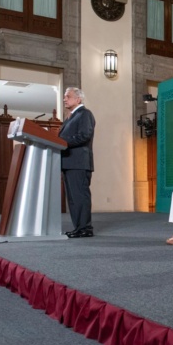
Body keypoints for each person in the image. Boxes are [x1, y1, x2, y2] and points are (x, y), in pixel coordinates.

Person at [59, 87, 96, 238]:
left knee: (80, 196)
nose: (64, 99)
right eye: (64, 96)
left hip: (79, 163)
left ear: (78, 99)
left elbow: (84, 135)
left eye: (68, 96)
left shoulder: (85, 114)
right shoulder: (70, 117)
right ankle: (79, 228)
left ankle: (85, 228)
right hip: (69, 163)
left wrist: (61, 142)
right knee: (73, 199)